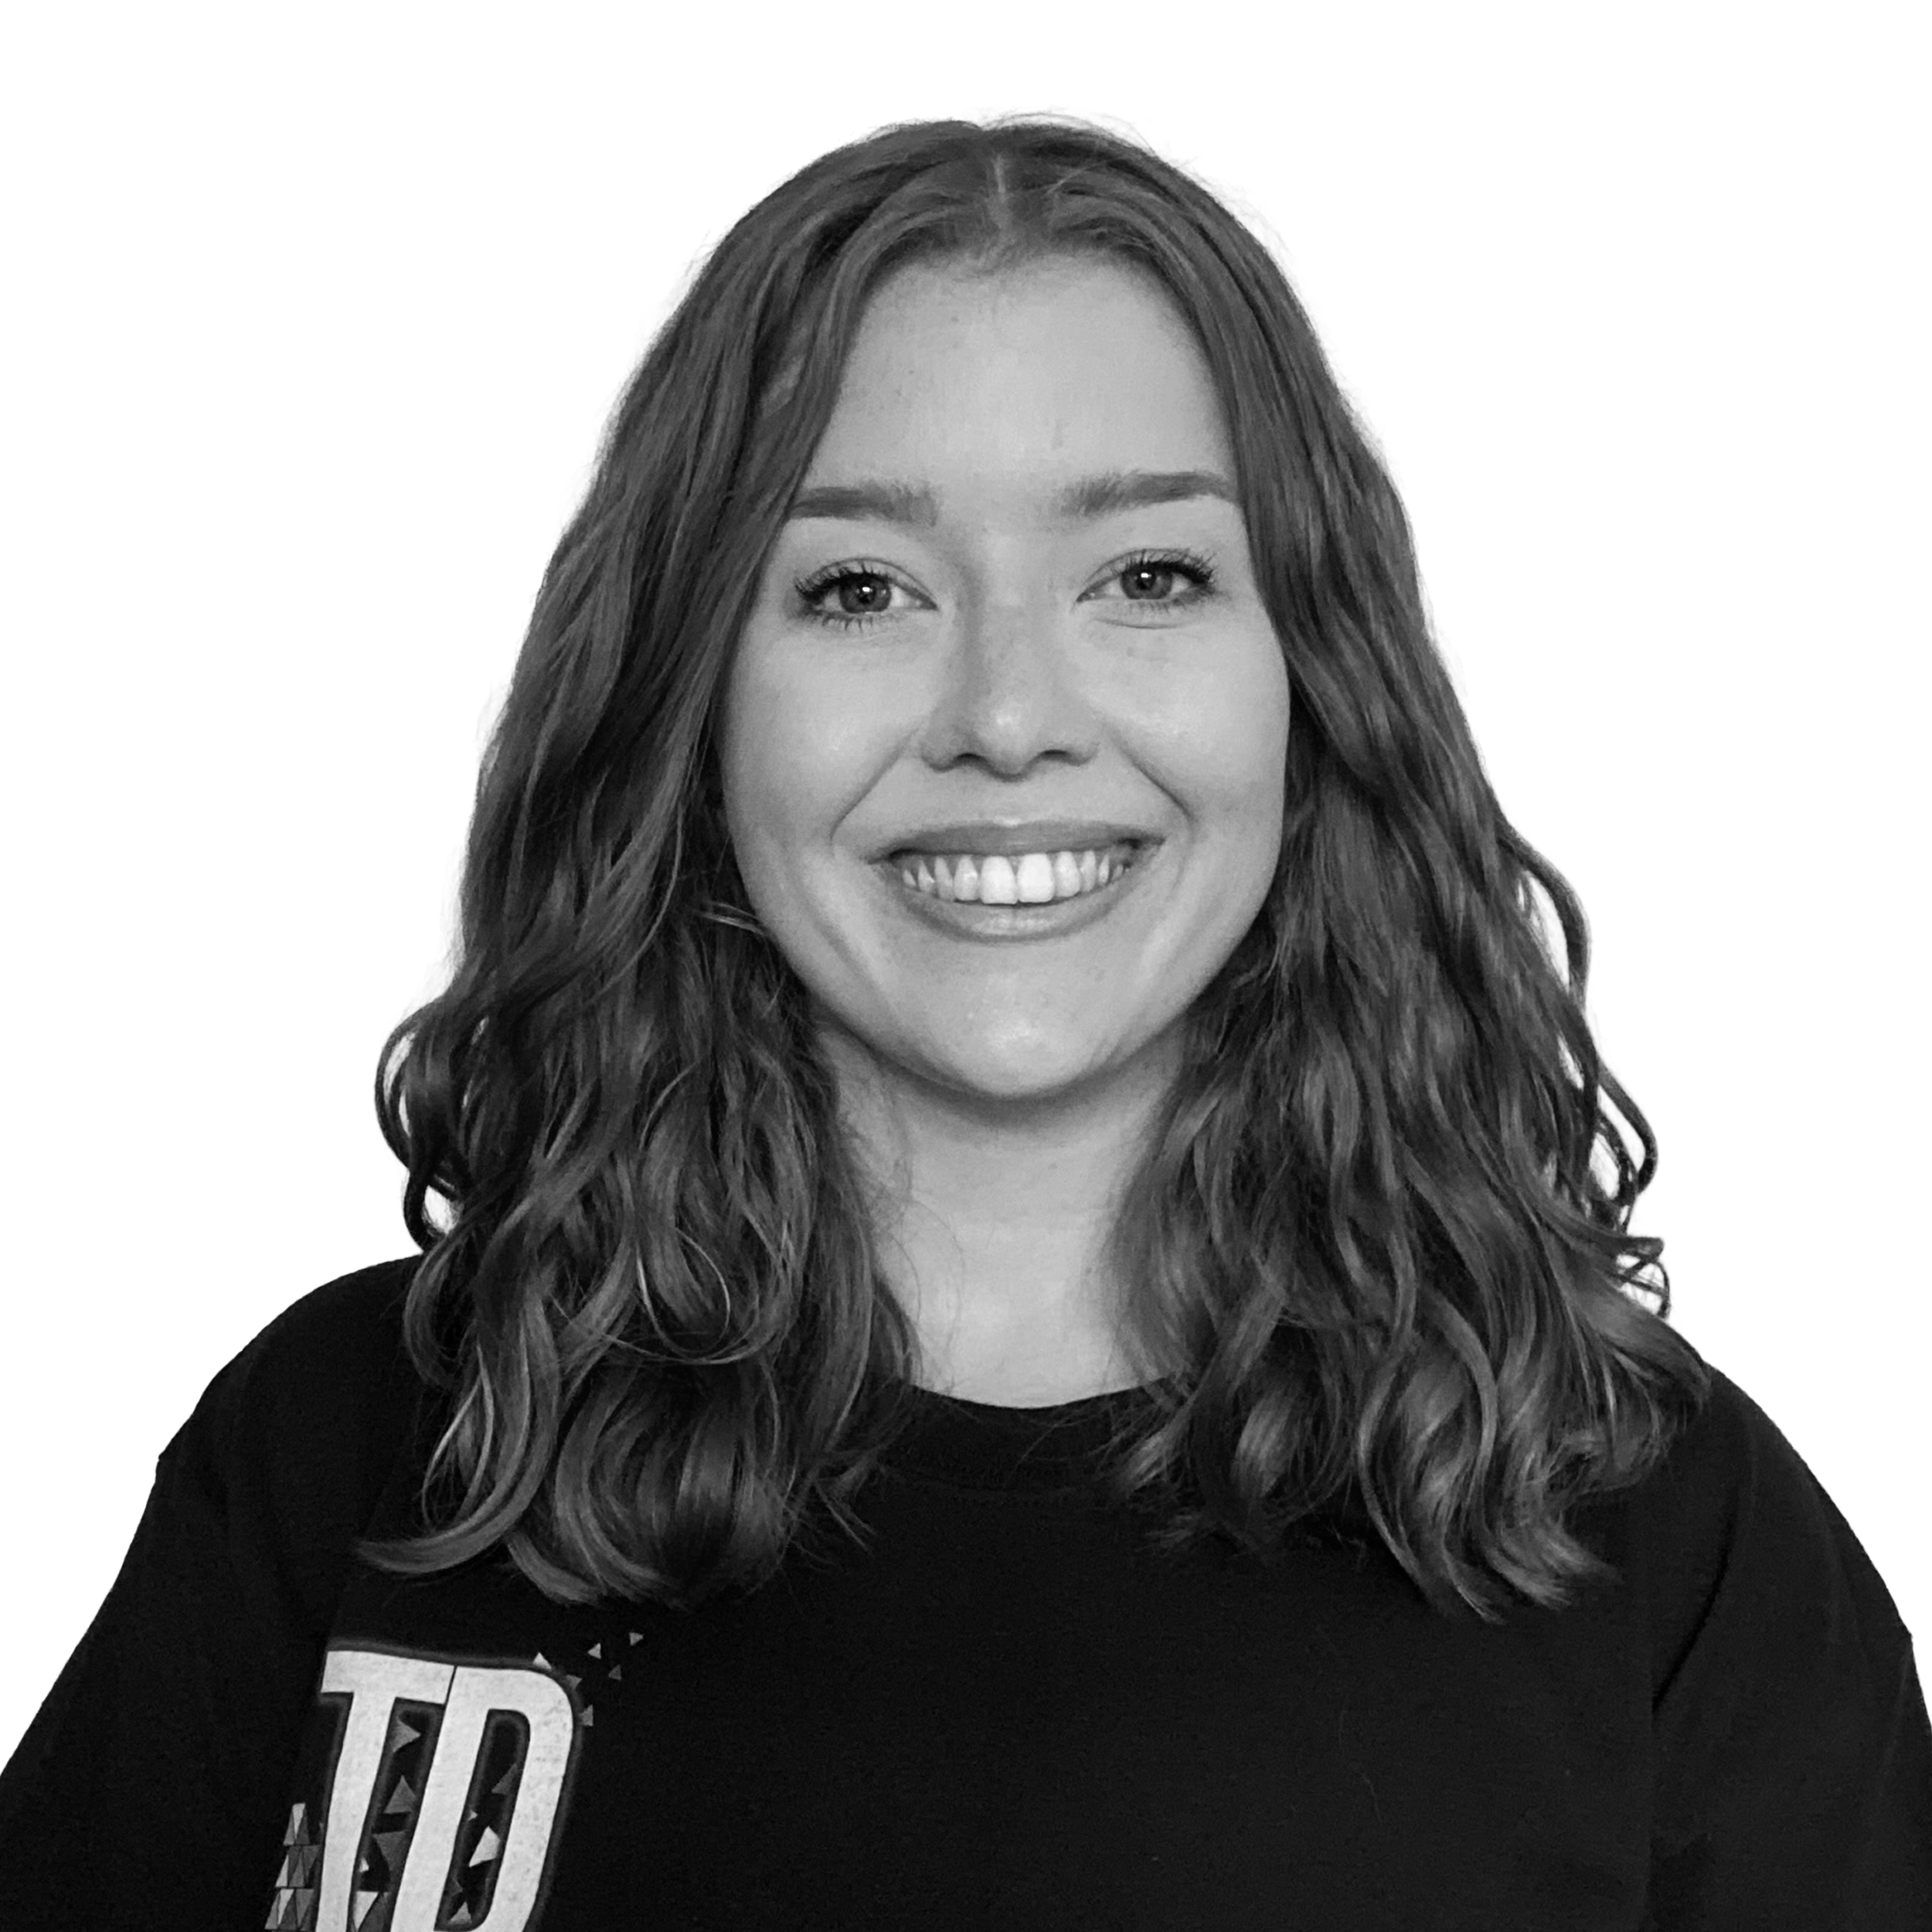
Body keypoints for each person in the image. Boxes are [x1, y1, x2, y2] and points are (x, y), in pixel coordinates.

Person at [1, 113, 1926, 1931]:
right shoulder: (358, 1461)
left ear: (1311, 687)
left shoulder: (1659, 1541)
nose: (1006, 713)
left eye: (1145, 573)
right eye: (859, 586)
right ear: (691, 700)